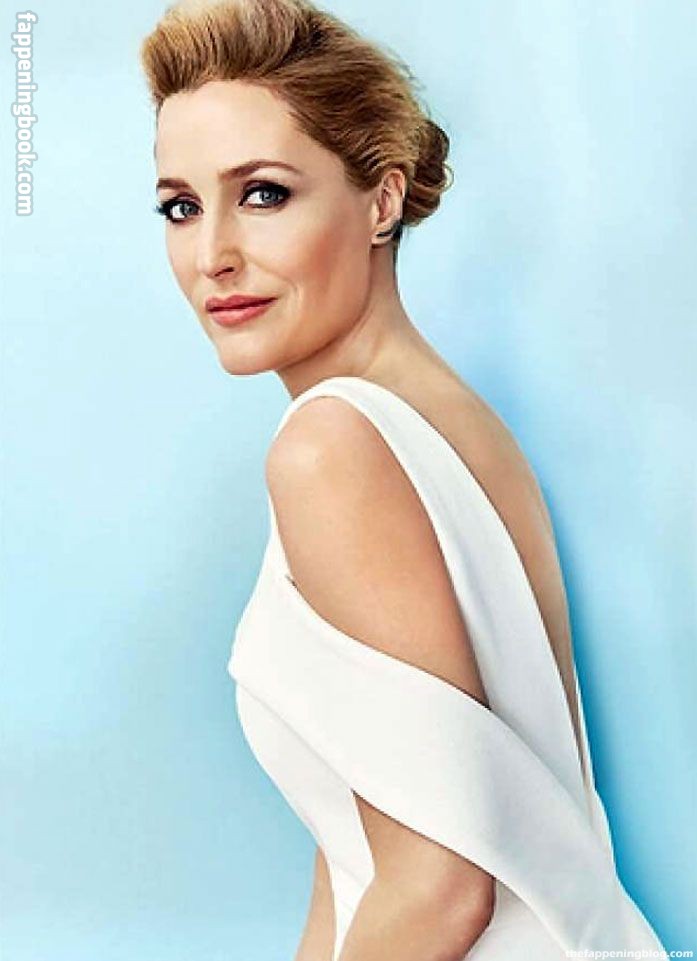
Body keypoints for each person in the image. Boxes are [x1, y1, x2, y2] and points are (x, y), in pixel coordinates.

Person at [140, 1, 666, 958]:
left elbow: (440, 887)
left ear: (381, 201)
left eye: (262, 194)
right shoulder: (446, 416)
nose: (212, 254)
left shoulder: (332, 446)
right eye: (181, 206)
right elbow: (359, 843)